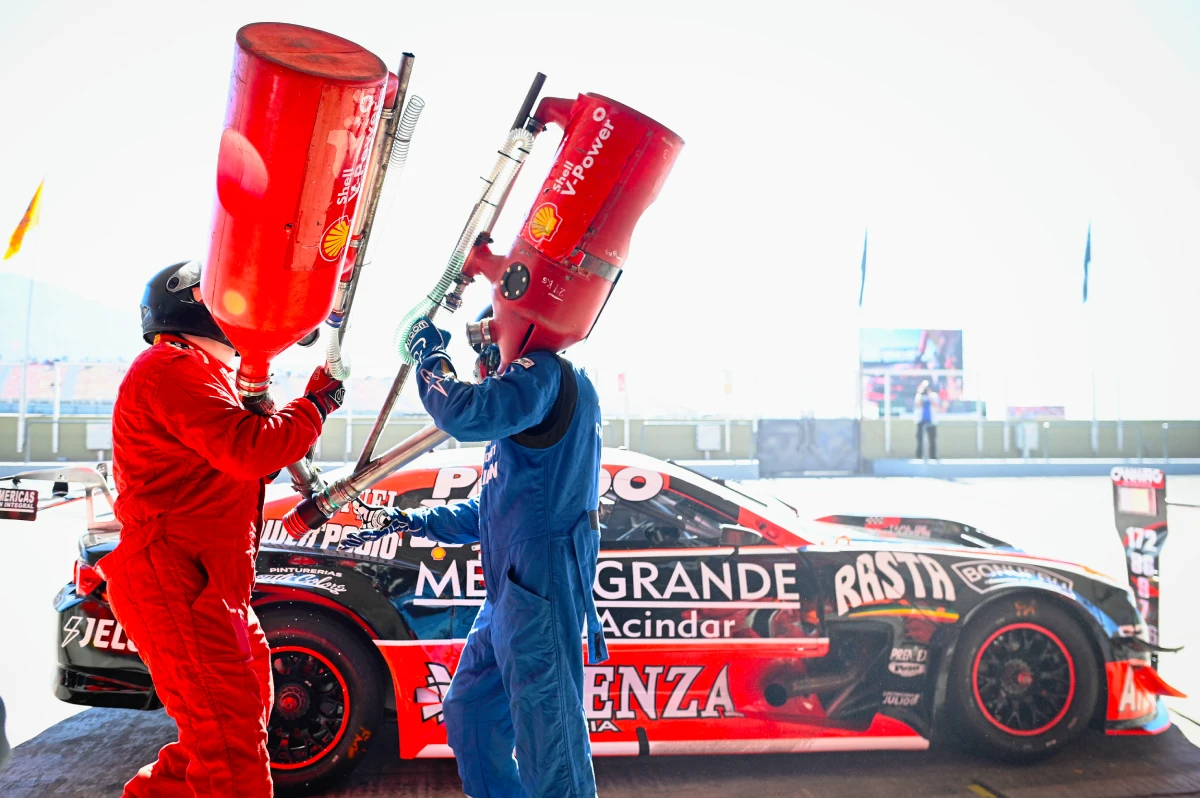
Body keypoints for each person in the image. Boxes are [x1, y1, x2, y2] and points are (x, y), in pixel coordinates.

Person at [95, 261, 344, 798]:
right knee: (231, 748)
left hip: (205, 584)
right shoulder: (169, 366)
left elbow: (235, 465)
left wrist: (281, 425)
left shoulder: (197, 375)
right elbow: (250, 450)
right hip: (177, 578)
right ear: (200, 307)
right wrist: (315, 404)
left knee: (233, 725)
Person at [342, 315, 607, 798]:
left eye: (485, 349)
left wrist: (430, 357)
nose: (482, 367)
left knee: (549, 739)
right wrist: (413, 521)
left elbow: (464, 413)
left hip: (539, 589)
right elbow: (491, 509)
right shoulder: (524, 411)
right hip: (512, 594)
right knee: (471, 711)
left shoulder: (545, 373)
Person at [915, 379, 940, 460]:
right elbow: (917, 405)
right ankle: (919, 456)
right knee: (920, 439)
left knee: (932, 440)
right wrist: (921, 395)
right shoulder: (919, 396)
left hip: (931, 421)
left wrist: (929, 396)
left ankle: (933, 456)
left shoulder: (934, 395)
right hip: (921, 421)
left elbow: (937, 406)